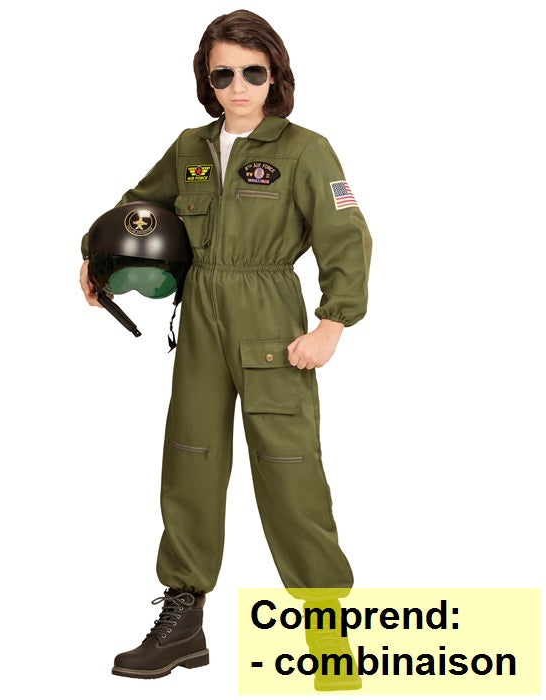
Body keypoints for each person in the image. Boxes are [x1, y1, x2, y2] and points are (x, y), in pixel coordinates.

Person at [79, 9, 372, 683]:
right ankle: (184, 620)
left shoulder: (306, 150)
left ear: (275, 77)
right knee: (191, 461)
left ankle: (327, 626)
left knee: (290, 469)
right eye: (223, 74)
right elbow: (137, 208)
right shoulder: (189, 147)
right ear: (206, 80)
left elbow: (348, 236)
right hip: (202, 315)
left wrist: (333, 322)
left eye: (252, 72)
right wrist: (98, 258)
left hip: (271, 319)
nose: (238, 86)